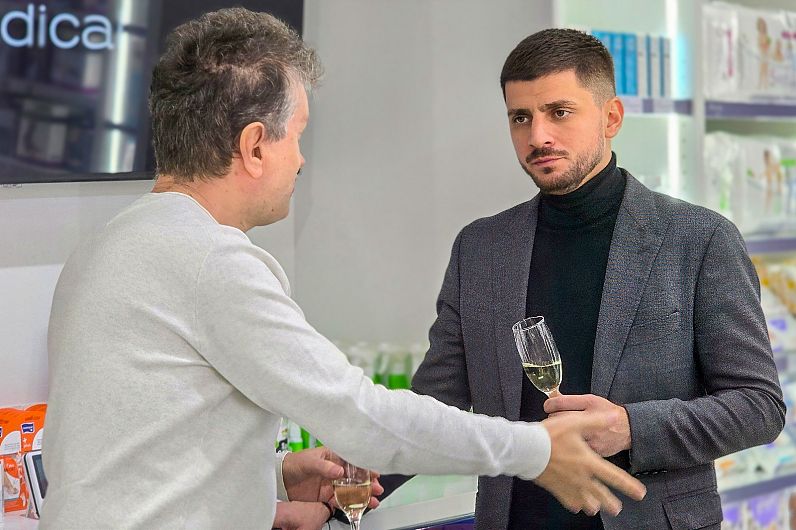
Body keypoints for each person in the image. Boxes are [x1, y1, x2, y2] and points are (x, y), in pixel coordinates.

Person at [40, 11, 646, 530]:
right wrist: (535, 448)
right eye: (297, 136)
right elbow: (361, 417)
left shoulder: (108, 246)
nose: (302, 160)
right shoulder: (210, 261)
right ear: (255, 146)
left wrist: (274, 475)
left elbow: (142, 451)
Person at [381, 28, 786, 530]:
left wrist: (630, 427)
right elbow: (431, 406)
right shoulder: (480, 248)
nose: (538, 136)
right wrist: (340, 487)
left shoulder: (699, 238)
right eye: (520, 118)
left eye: (559, 112)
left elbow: (758, 406)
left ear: (611, 117)